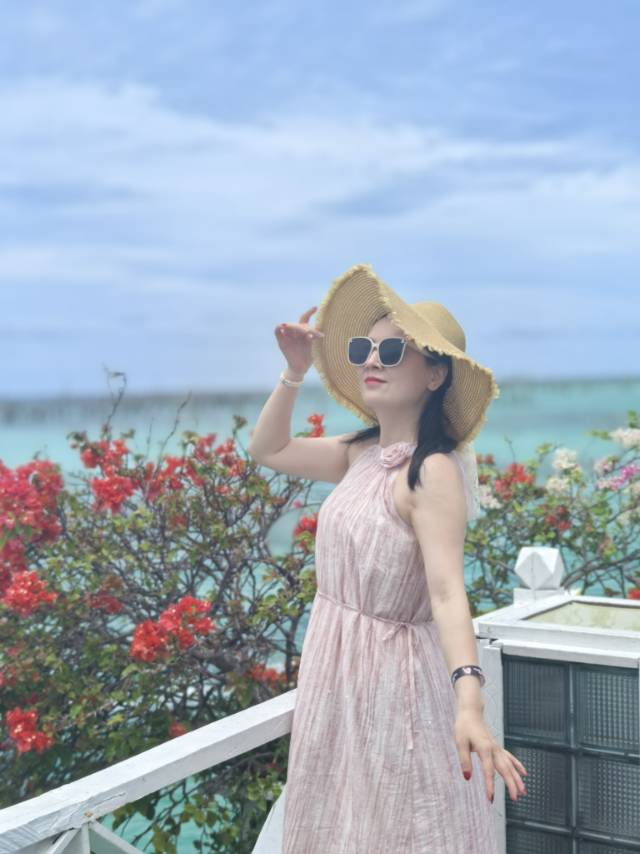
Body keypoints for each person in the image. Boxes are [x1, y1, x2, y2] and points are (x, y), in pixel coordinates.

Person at [248, 263, 528, 853]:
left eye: (393, 350)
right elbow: (267, 448)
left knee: (399, 822)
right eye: (363, 349)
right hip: (335, 671)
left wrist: (469, 701)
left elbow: (447, 592)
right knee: (339, 821)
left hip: (394, 681)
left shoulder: (432, 471)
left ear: (435, 374)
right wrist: (294, 372)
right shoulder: (362, 453)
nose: (371, 360)